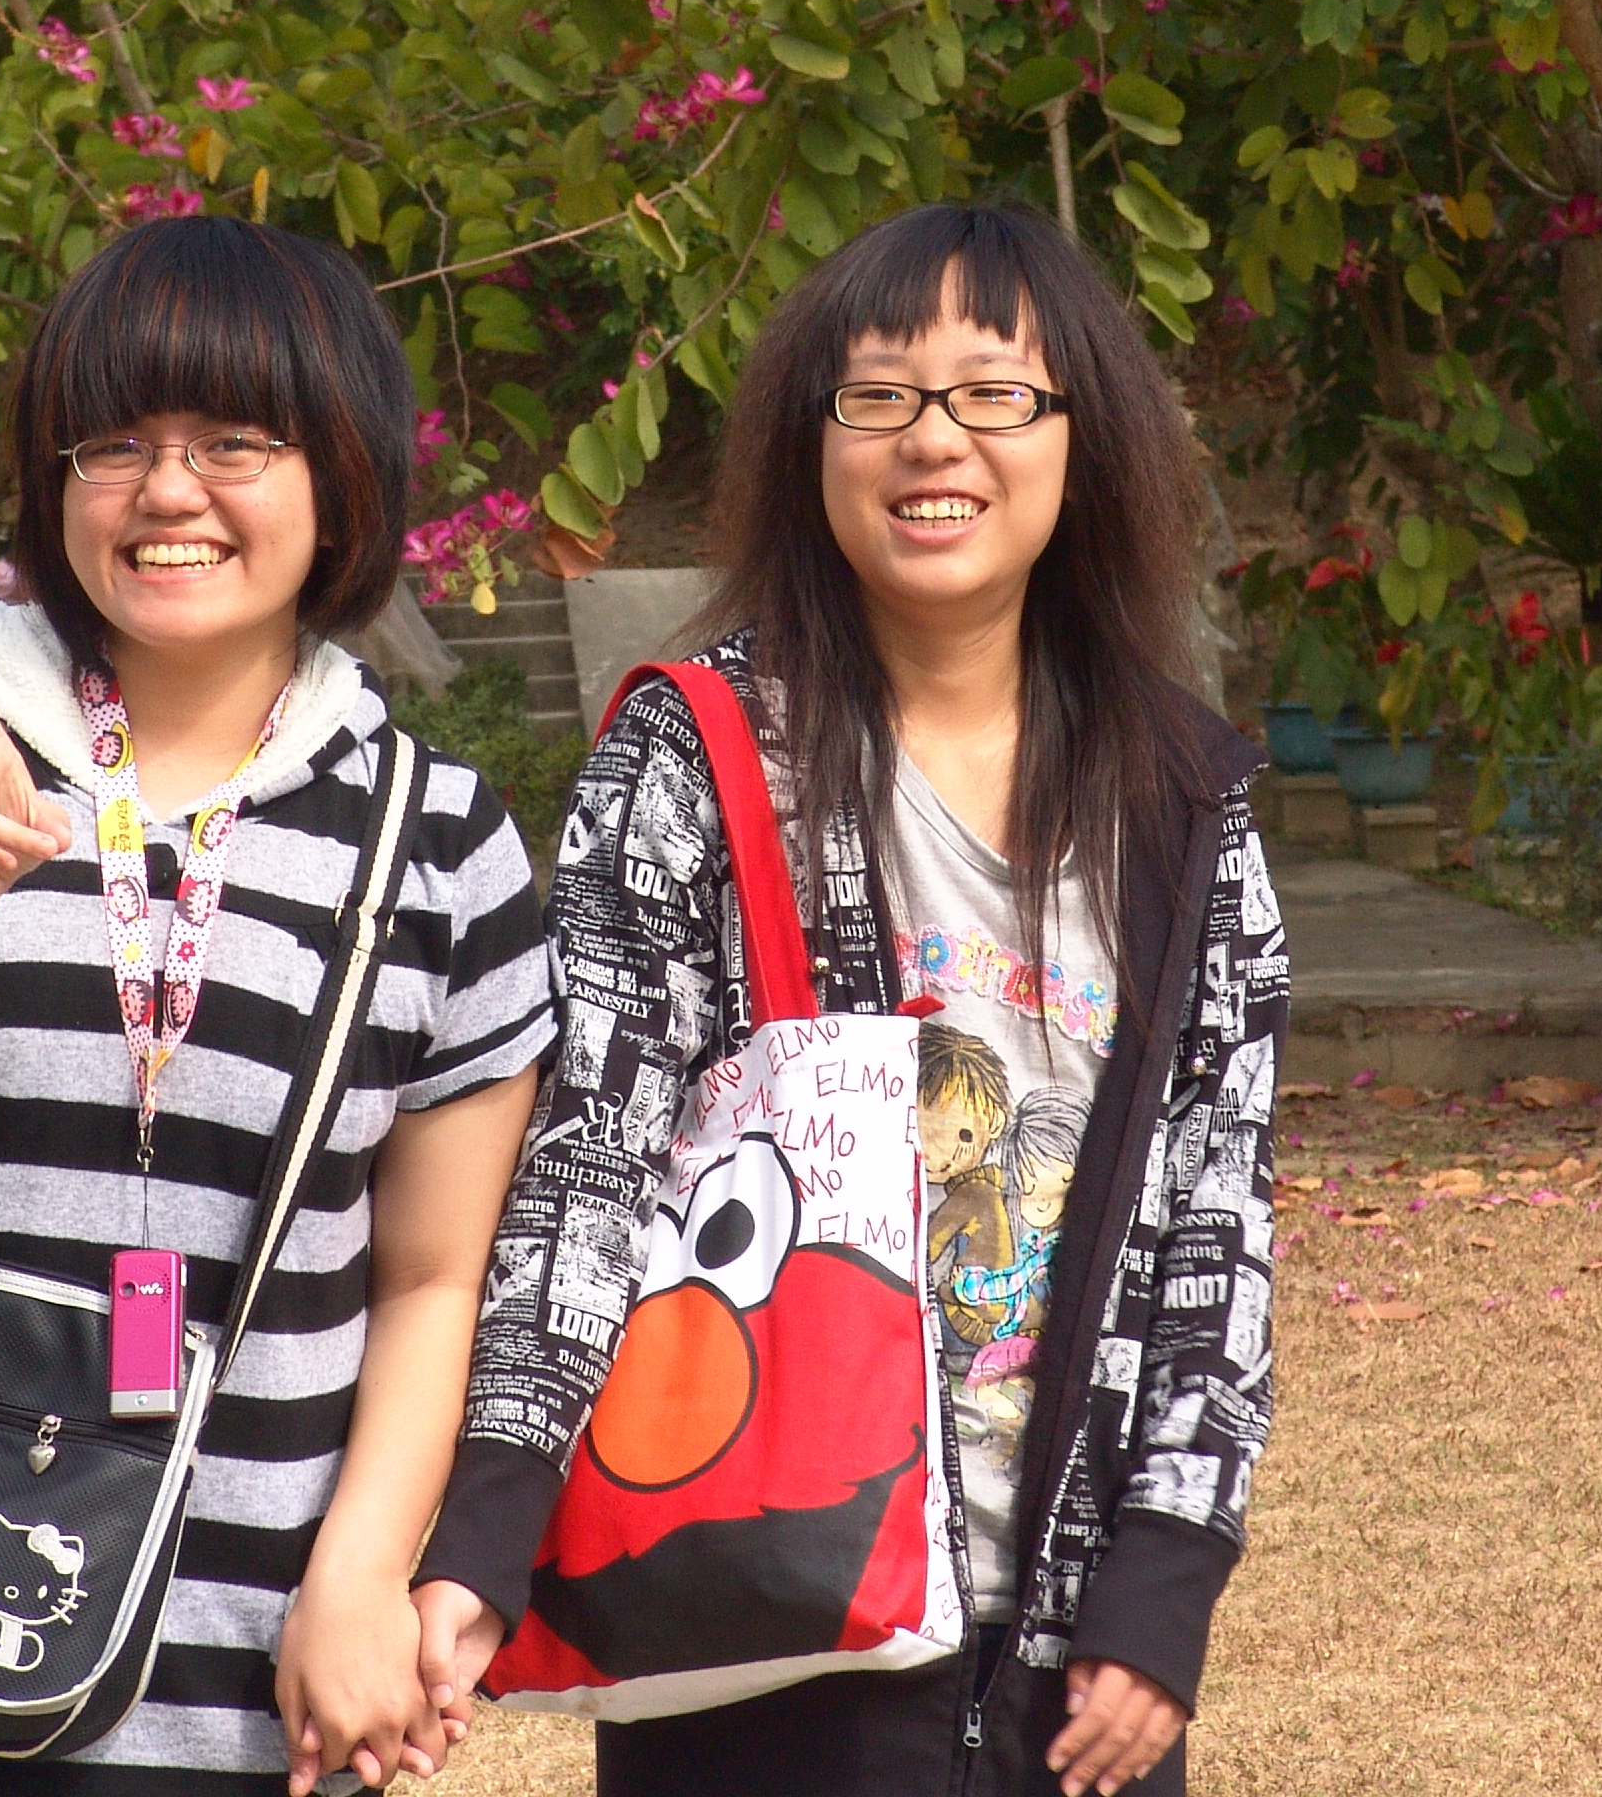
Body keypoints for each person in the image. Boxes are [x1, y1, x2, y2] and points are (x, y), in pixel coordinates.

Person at [0, 216, 554, 1797]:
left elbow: (428, 1279)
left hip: (236, 1682)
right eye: (114, 444)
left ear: (342, 472)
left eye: (235, 442)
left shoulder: (439, 844)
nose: (167, 492)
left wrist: (360, 1576)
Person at [411, 203, 1287, 1797]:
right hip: (765, 1614)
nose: (933, 438)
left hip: (1075, 1654)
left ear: (1082, 437)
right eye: (878, 394)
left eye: (993, 392)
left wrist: (1166, 1579)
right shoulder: (694, 757)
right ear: (809, 443)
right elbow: (590, 1157)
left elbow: (1219, 1206)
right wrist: (485, 1523)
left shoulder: (1182, 796)